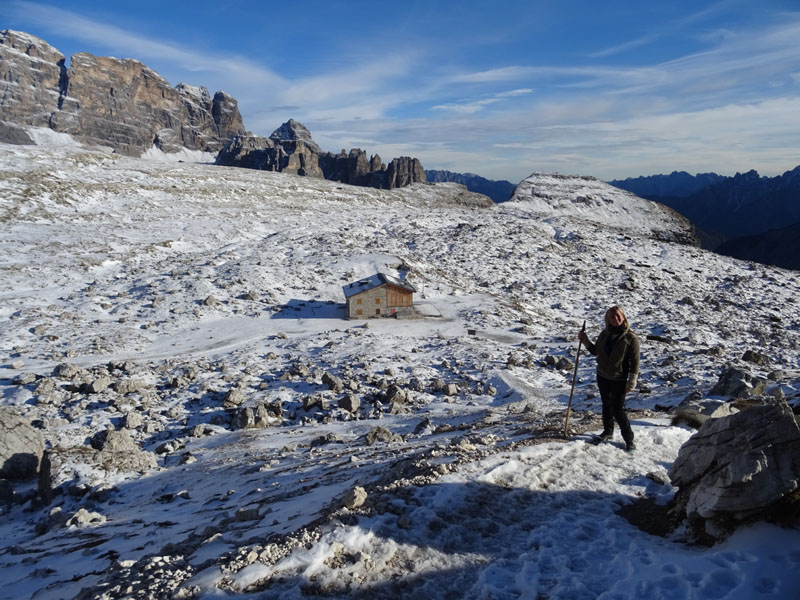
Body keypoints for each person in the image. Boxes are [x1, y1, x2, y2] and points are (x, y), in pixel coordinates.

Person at [578, 305, 640, 451]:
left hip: (619, 379)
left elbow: (635, 361)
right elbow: (595, 351)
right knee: (606, 405)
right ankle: (608, 431)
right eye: (612, 316)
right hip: (603, 376)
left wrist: (632, 380)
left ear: (624, 317)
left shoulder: (630, 338)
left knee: (618, 410)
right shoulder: (604, 334)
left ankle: (629, 439)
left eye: (618, 316)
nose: (616, 319)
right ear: (607, 319)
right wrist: (585, 340)